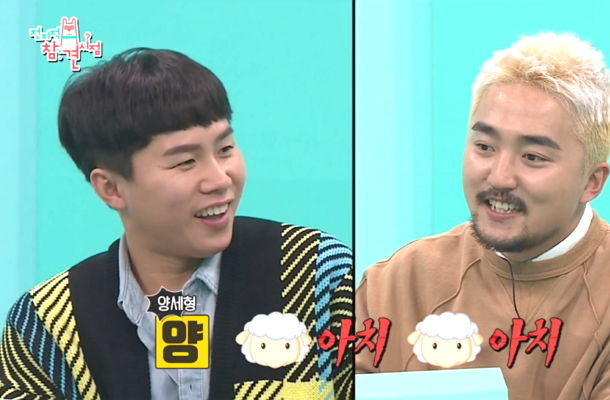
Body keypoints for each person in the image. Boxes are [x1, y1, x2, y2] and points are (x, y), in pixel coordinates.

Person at [356, 33, 610, 399]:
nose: (499, 177)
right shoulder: (396, 283)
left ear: (592, 182)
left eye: (533, 157)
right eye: (484, 147)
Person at [0, 48, 353, 400]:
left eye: (225, 149)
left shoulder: (319, 273)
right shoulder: (45, 325)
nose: (220, 180)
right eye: (185, 162)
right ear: (111, 188)